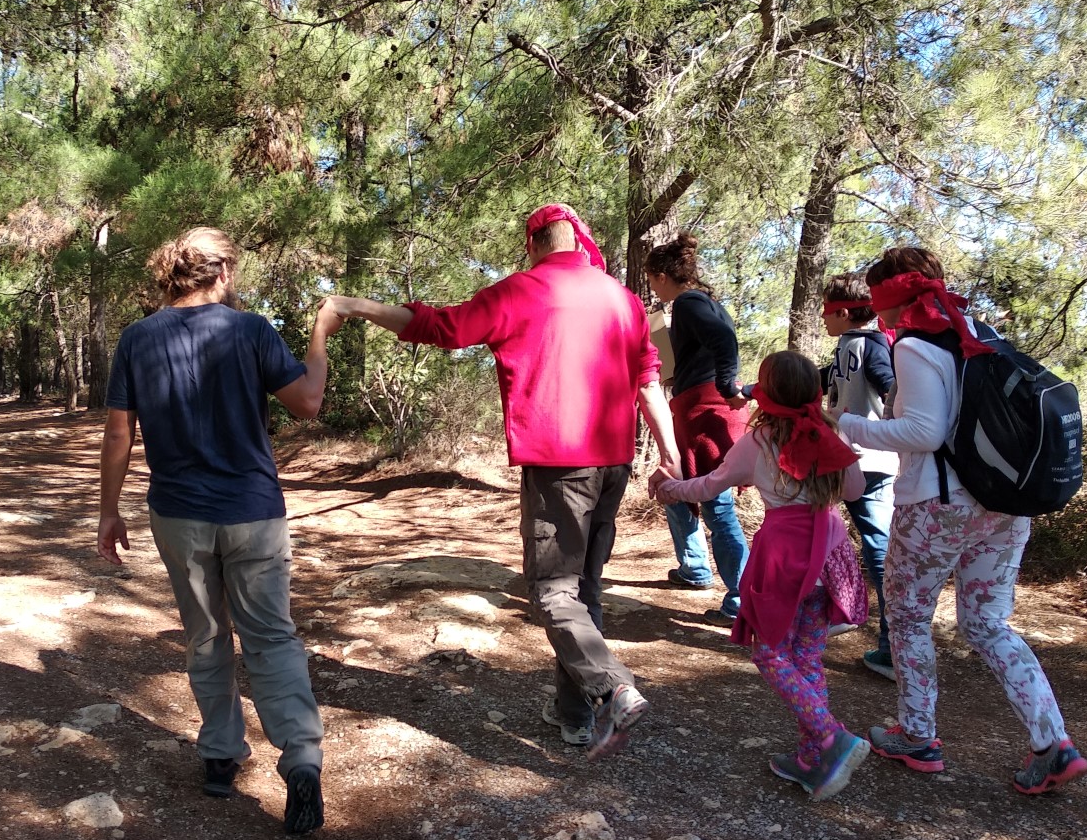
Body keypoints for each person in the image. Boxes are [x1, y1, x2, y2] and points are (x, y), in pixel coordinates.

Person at [324, 204, 681, 758]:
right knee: (583, 589)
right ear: (579, 242)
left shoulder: (523, 290)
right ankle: (574, 714)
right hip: (615, 463)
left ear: (537, 242)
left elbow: (439, 327)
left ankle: (613, 687)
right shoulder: (624, 298)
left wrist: (356, 306)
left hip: (560, 464)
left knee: (553, 591)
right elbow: (648, 381)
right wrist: (670, 451)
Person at [97, 226, 341, 834]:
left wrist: (108, 509)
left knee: (206, 633)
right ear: (224, 273)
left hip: (177, 512)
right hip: (253, 511)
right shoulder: (252, 331)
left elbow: (119, 434)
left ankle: (218, 755)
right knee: (271, 638)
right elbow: (307, 402)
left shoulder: (137, 339)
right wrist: (321, 334)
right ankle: (302, 759)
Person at [840, 247, 1087, 794]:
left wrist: (852, 425)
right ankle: (1054, 743)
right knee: (987, 625)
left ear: (890, 298)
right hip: (1003, 505)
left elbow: (924, 433)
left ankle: (918, 735)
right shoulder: (976, 329)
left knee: (907, 619)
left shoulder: (915, 342)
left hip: (938, 505)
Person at [654, 351, 871, 801]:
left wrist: (671, 487)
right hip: (829, 554)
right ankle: (813, 757)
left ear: (767, 391)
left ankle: (831, 736)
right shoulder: (830, 431)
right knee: (807, 657)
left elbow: (711, 485)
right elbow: (854, 489)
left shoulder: (759, 441)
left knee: (769, 653)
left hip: (784, 560)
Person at [645, 233, 750, 624]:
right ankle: (694, 568)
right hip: (696, 405)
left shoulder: (688, 302)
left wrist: (726, 384)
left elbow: (723, 342)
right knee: (677, 488)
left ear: (661, 276)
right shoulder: (706, 302)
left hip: (705, 410)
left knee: (717, 506)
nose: (653, 288)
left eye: (652, 280)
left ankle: (742, 599)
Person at [821, 272, 897, 672]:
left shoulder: (873, 346)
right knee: (824, 533)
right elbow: (824, 381)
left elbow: (890, 386)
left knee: (879, 551)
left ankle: (891, 648)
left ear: (845, 312)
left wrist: (894, 425)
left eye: (826, 310)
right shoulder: (847, 347)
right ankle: (840, 611)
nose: (821, 317)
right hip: (846, 459)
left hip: (870, 462)